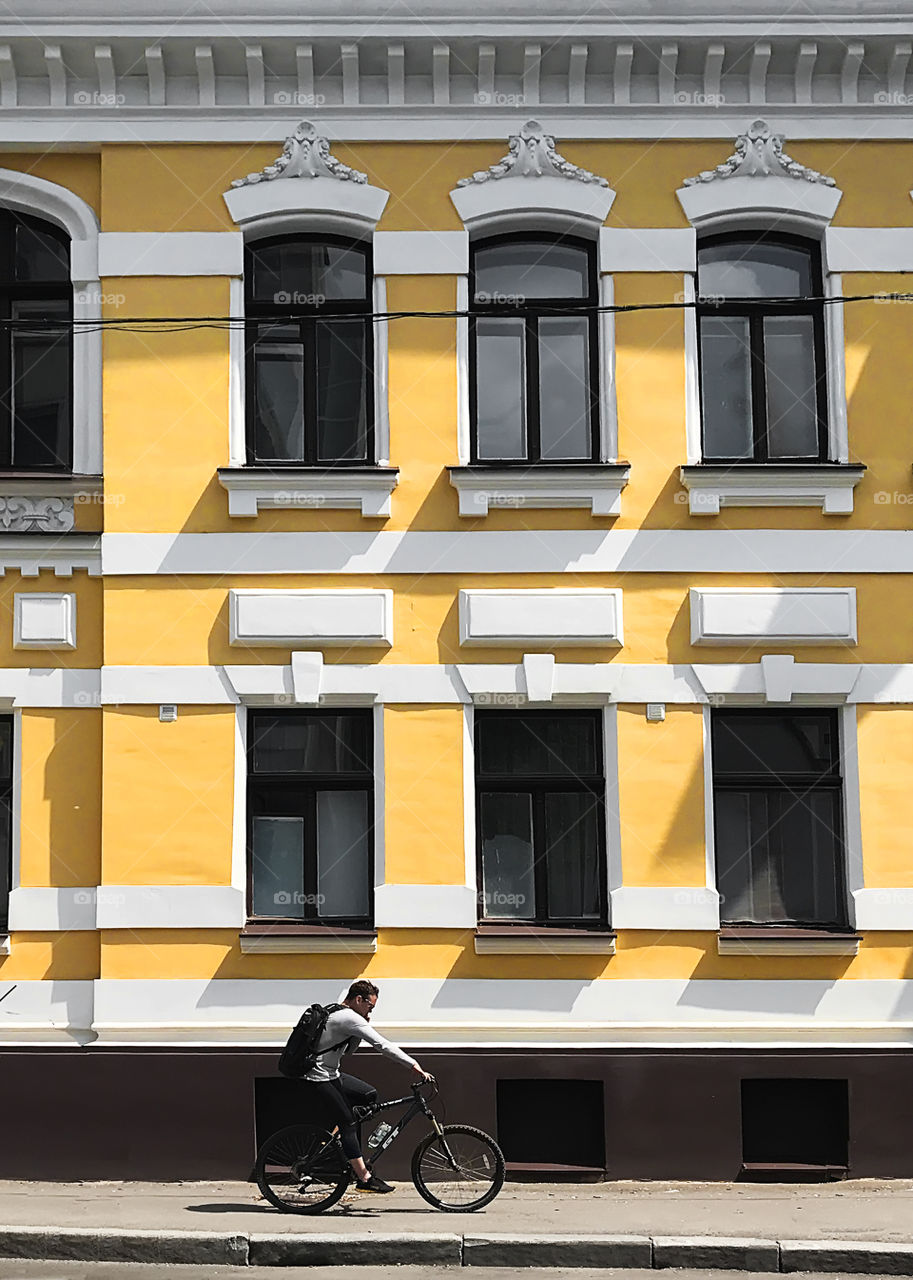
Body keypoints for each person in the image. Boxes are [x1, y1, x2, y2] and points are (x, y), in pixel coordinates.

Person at [302, 979, 432, 1194]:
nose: (370, 1011)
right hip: (318, 1076)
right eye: (369, 1006)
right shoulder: (348, 1017)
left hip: (331, 1073)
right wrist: (413, 1065)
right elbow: (382, 1045)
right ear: (358, 999)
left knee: (368, 1095)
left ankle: (344, 1145)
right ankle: (364, 1177)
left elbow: (347, 1052)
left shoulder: (337, 1011)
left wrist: (360, 1026)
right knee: (348, 1123)